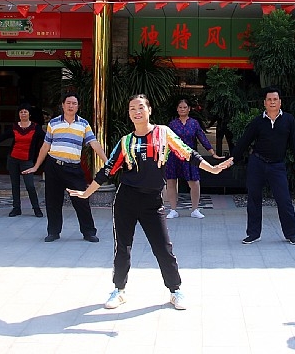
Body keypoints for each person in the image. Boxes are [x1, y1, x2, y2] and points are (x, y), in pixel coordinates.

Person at [68, 94, 233, 311]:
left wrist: (211, 168)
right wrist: (86, 193)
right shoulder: (125, 141)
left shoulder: (163, 133)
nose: (137, 112)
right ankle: (119, 290)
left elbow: (187, 153)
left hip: (152, 201)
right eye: (132, 108)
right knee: (122, 247)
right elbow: (107, 170)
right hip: (126, 199)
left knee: (163, 248)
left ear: (149, 110)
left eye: (140, 107)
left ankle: (175, 290)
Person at [228, 87, 295, 245]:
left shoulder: (288, 120)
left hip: (277, 165)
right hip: (257, 163)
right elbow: (244, 141)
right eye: (269, 100)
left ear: (280, 102)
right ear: (264, 103)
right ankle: (253, 234)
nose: (272, 102)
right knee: (254, 199)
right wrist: (232, 160)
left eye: (275, 99)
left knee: (284, 200)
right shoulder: (258, 121)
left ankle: (291, 234)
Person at [23, 93, 107, 243]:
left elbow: (94, 143)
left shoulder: (83, 124)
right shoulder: (54, 123)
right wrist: (36, 166)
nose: (71, 106)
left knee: (81, 200)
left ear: (78, 106)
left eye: (74, 103)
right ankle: (53, 232)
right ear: (63, 105)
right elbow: (46, 146)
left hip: (73, 168)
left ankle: (89, 232)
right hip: (53, 166)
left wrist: (107, 161)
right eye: (68, 103)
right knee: (53, 201)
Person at [0, 103, 45, 218]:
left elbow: (46, 139)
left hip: (27, 161)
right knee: (15, 185)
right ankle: (16, 208)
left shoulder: (35, 127)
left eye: (25, 112)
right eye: (21, 112)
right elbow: (2, 137)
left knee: (30, 185)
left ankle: (36, 208)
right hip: (13, 159)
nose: (23, 114)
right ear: (19, 114)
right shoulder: (15, 127)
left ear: (29, 114)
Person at [164, 99, 224, 219]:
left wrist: (212, 153)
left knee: (194, 182)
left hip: (190, 156)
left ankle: (195, 209)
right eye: (180, 107)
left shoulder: (194, 123)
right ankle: (173, 210)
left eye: (185, 107)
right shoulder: (172, 124)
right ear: (177, 109)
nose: (182, 109)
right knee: (171, 182)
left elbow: (202, 138)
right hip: (174, 156)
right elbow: (166, 141)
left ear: (189, 109)